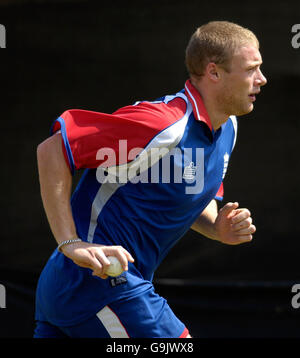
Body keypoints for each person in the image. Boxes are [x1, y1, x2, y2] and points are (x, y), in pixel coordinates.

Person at [34, 21, 267, 338]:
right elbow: (53, 150)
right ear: (214, 72)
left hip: (74, 290)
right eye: (251, 69)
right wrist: (70, 242)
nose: (261, 79)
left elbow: (191, 193)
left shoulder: (228, 128)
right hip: (98, 286)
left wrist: (216, 227)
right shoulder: (161, 125)